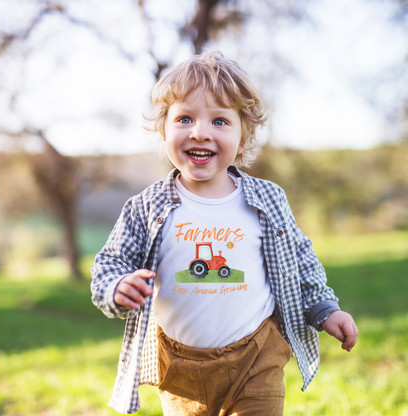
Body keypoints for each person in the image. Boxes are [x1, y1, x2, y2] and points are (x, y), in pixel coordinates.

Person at [90, 51, 358, 416]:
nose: (200, 132)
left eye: (219, 121)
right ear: (163, 129)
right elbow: (110, 263)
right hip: (181, 367)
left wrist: (325, 309)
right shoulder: (147, 208)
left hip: (256, 357)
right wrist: (117, 287)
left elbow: (300, 260)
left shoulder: (267, 199)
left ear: (243, 137)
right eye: (185, 118)